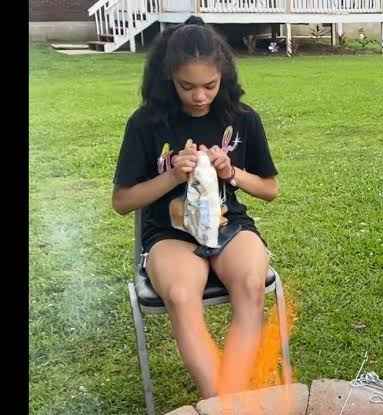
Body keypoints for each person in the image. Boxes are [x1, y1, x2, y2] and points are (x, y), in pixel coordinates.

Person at [111, 16, 279, 398]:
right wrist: (171, 176)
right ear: (169, 76)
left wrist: (231, 171)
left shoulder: (241, 119)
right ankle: (223, 403)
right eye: (188, 86)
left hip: (228, 225)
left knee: (251, 284)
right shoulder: (146, 123)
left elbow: (270, 189)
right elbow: (122, 202)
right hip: (169, 234)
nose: (200, 96)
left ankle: (229, 400)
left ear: (223, 75)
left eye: (210, 86)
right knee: (184, 296)